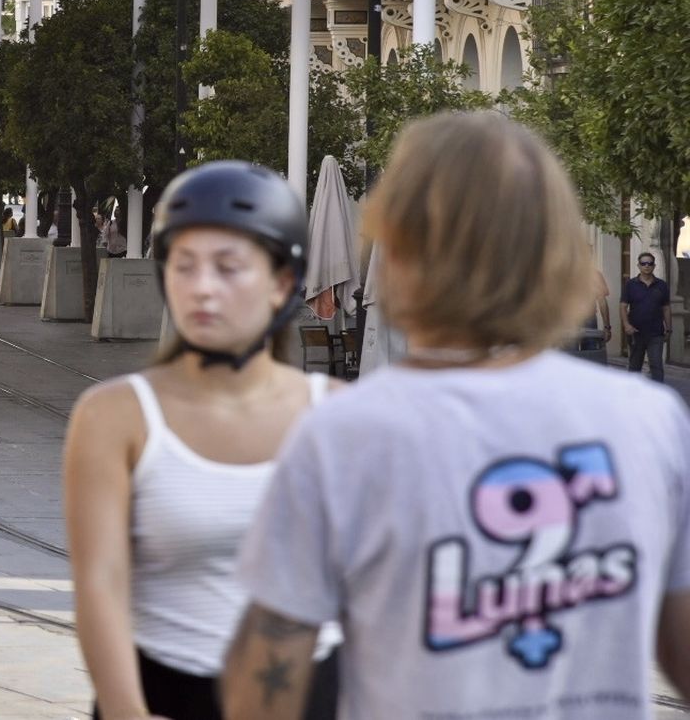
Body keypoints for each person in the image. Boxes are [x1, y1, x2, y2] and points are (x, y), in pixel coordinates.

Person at [222, 112, 690, 719]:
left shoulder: (343, 435)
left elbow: (265, 681)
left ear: (398, 248)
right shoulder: (647, 422)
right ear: (552, 248)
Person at [64, 162, 341, 720]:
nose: (202, 288)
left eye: (228, 267)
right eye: (184, 266)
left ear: (282, 283)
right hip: (167, 692)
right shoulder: (115, 415)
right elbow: (100, 582)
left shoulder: (339, 417)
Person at [622, 250, 672, 383]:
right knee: (634, 366)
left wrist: (669, 328)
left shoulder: (662, 285)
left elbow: (666, 308)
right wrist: (626, 325)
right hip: (636, 332)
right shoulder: (630, 285)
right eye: (643, 263)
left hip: (656, 333)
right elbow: (622, 306)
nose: (646, 266)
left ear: (654, 266)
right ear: (638, 266)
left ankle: (658, 396)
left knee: (656, 366)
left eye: (650, 263)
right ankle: (632, 395)